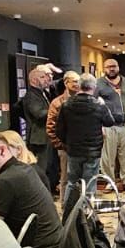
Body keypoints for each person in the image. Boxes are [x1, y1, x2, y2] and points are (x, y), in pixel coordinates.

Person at [56, 74, 115, 208]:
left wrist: (69, 142)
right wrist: (104, 105)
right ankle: (86, 214)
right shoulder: (98, 105)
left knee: (72, 182)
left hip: (73, 150)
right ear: (94, 87)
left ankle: (68, 212)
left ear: (79, 86)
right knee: (89, 184)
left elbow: (59, 131)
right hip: (93, 152)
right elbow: (110, 122)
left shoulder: (66, 105)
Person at [13, 63, 57, 188]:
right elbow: (39, 114)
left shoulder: (43, 93)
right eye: (43, 77)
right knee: (42, 168)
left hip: (45, 135)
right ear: (34, 80)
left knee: (49, 166)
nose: (47, 79)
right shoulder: (31, 95)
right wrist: (55, 110)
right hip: (39, 137)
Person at [96, 57, 125, 189]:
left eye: (114, 66)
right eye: (109, 66)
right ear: (104, 69)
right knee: (107, 158)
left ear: (118, 67)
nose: (112, 69)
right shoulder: (98, 84)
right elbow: (94, 104)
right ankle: (110, 182)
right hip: (108, 126)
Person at [45, 69, 81, 197]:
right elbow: (50, 127)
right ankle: (65, 207)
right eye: (75, 81)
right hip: (65, 148)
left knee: (81, 179)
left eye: (79, 81)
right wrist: (61, 145)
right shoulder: (57, 103)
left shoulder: (84, 100)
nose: (78, 84)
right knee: (66, 178)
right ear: (66, 83)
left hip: (81, 147)